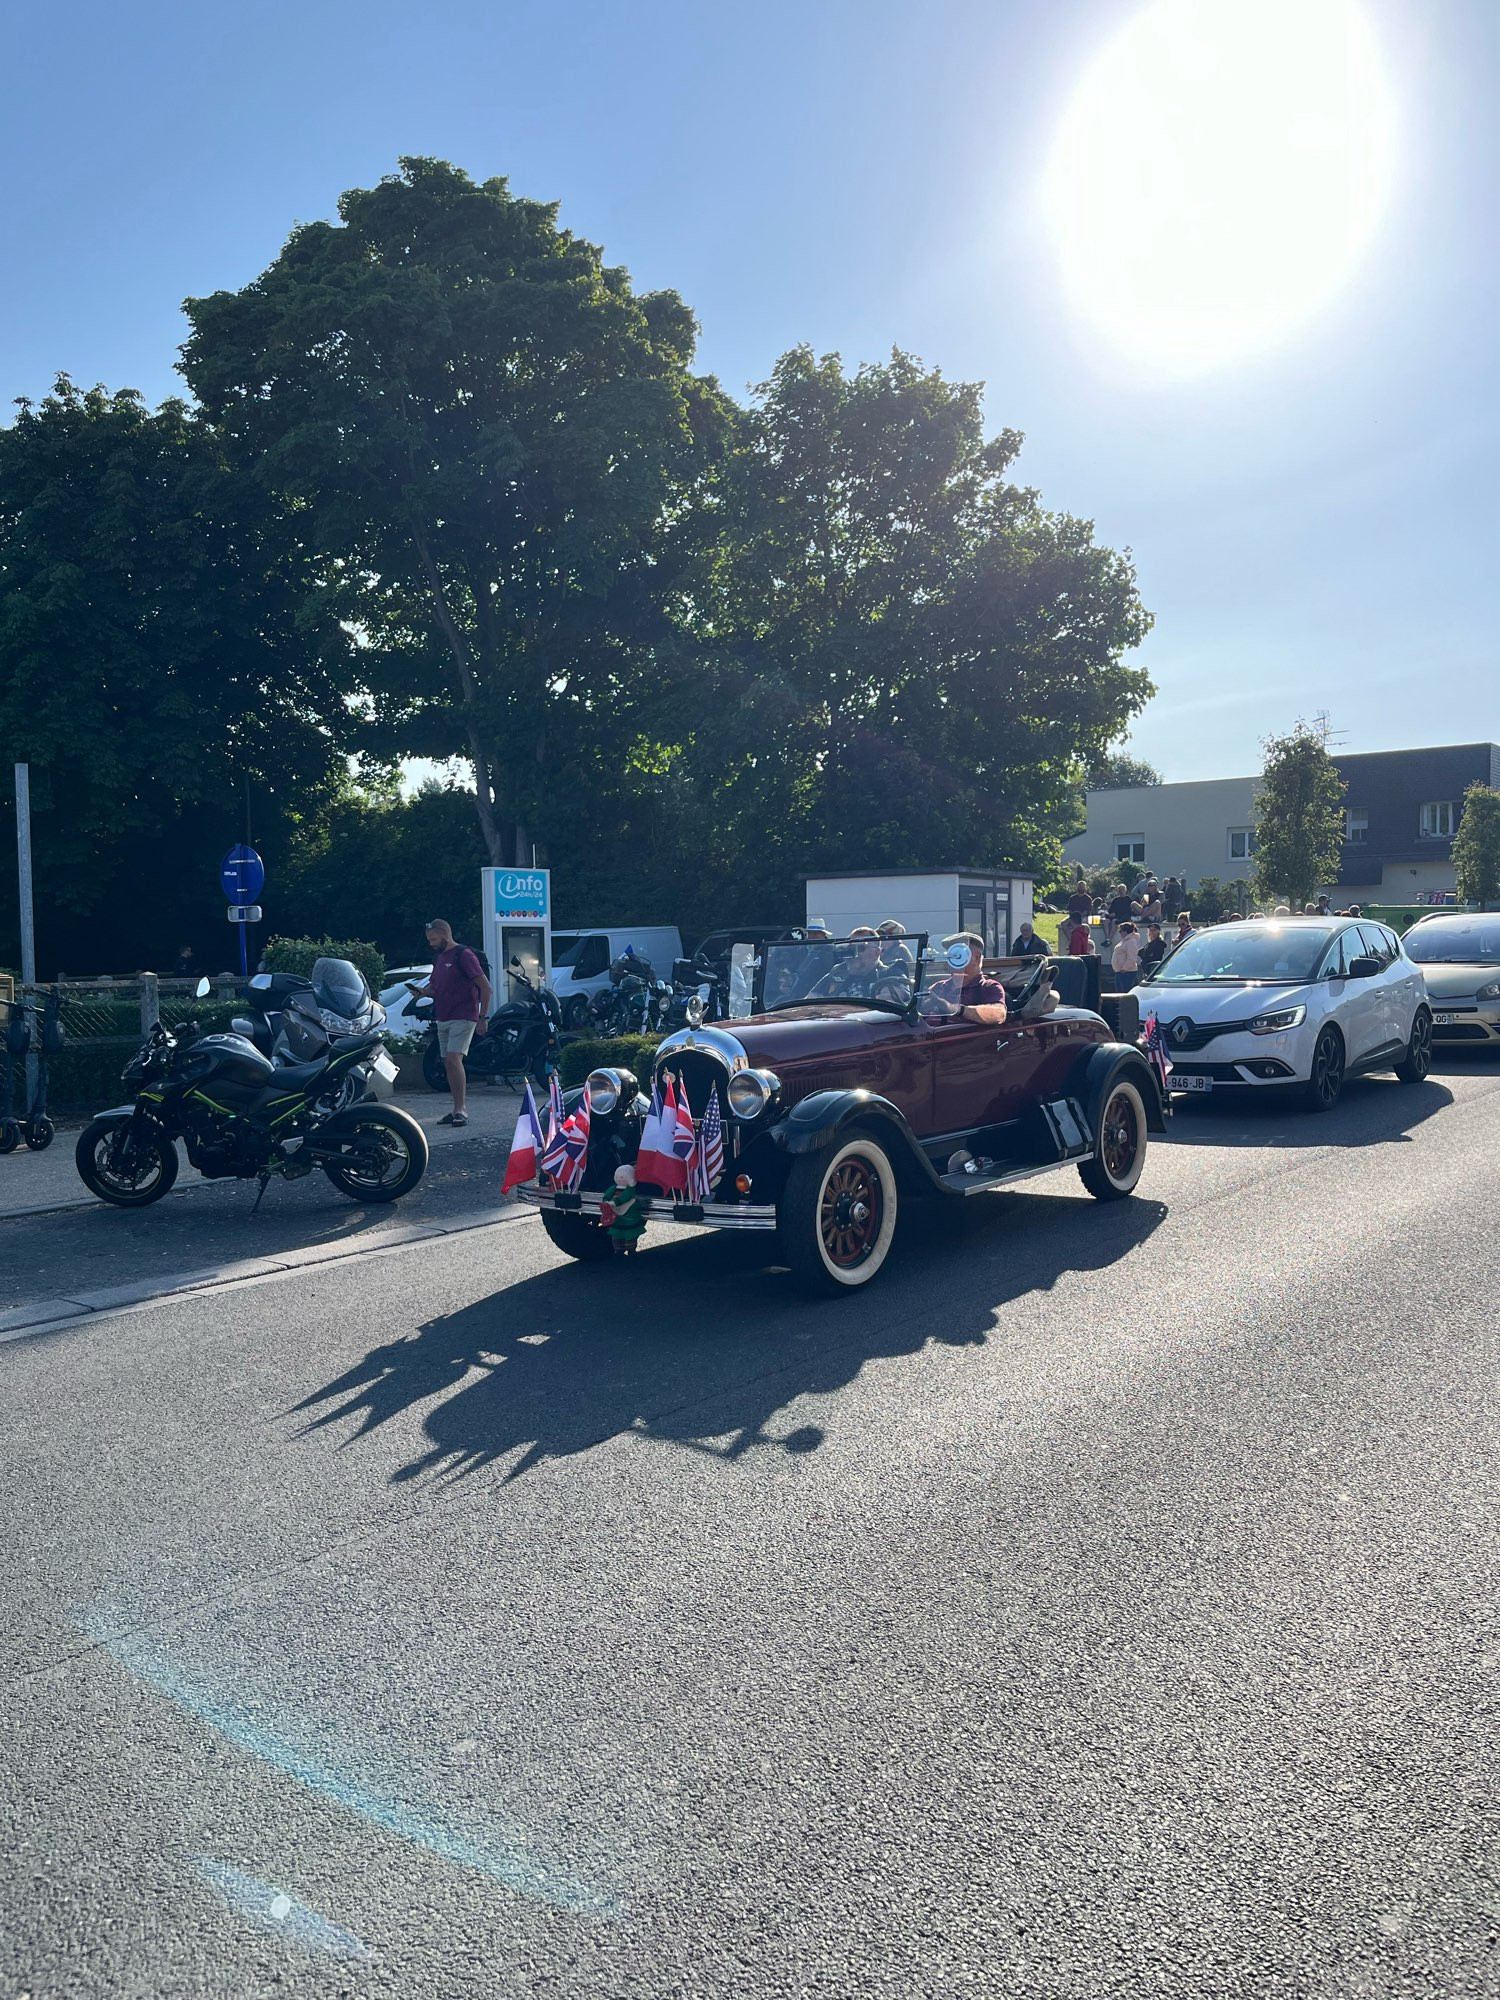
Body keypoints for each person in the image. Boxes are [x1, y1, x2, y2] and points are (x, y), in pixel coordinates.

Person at [408, 918, 491, 1127]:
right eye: (429, 940)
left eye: (434, 939)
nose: (431, 943)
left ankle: (461, 1109)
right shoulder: (439, 958)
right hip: (443, 1015)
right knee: (448, 1062)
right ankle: (456, 1108)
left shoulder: (464, 955)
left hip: (464, 1014)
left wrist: (483, 1016)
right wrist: (423, 993)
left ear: (445, 934)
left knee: (454, 1059)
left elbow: (485, 987)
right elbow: (436, 988)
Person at [923, 934, 1008, 1025]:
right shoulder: (939, 987)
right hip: (926, 1035)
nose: (953, 959)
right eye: (950, 955)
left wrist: (957, 1009)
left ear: (977, 957)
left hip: (959, 1036)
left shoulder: (988, 987)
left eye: (959, 955)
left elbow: (999, 1014)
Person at [1110, 921, 1140, 989]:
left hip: (1127, 973)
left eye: (1120, 931)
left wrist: (1124, 969)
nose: (1120, 933)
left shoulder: (1131, 941)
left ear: (1125, 931)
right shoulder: (1125, 941)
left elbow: (1132, 958)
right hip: (1121, 973)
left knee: (1124, 993)